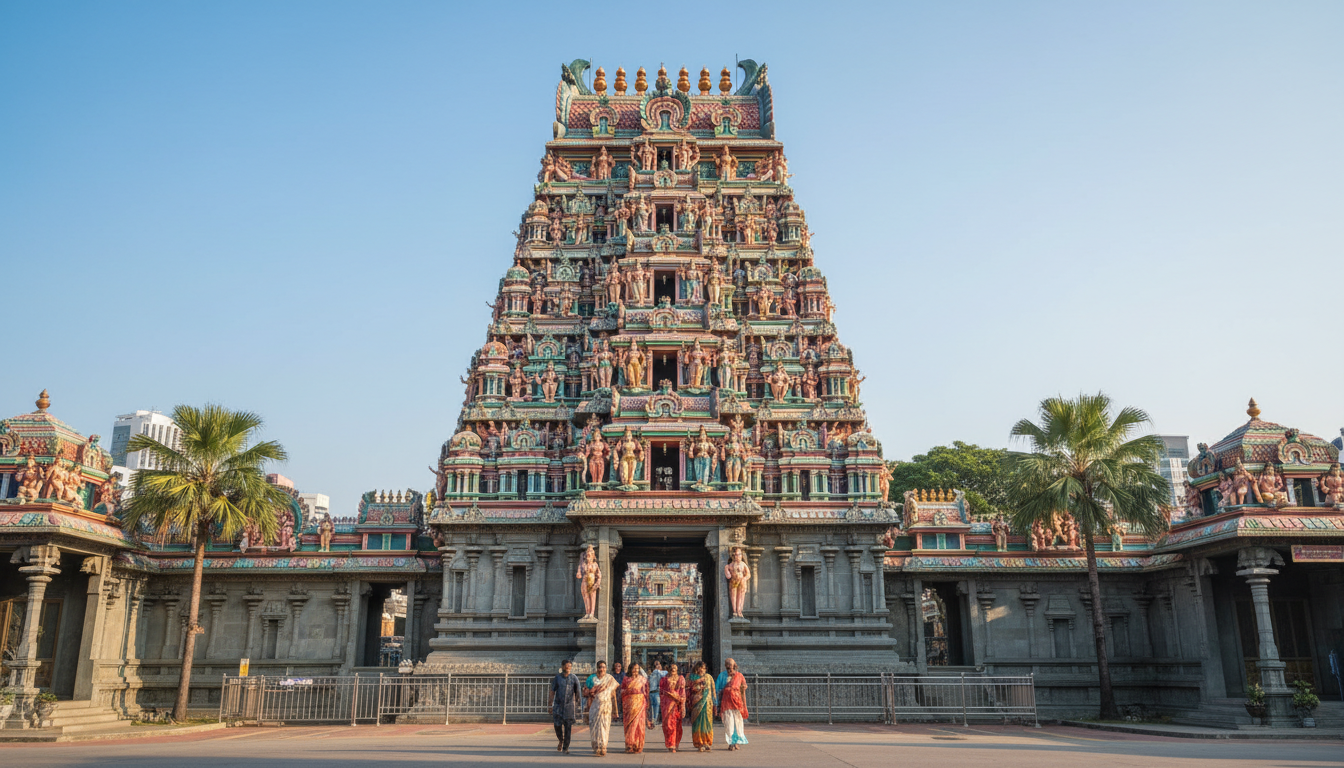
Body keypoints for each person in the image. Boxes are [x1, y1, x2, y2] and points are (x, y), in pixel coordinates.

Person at [548, 659, 583, 754]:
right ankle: (560, 739)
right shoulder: (557, 678)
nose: (568, 668)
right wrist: (550, 705)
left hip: (569, 706)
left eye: (570, 667)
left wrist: (578, 705)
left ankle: (565, 747)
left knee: (568, 727)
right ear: (562, 666)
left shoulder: (574, 678)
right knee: (557, 725)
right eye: (566, 666)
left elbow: (578, 692)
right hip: (558, 706)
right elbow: (552, 691)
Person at [587, 661, 620, 757]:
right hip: (594, 707)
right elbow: (586, 693)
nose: (602, 669)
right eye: (600, 667)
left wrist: (615, 710)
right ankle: (596, 746)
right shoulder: (591, 678)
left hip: (606, 707)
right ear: (597, 668)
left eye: (604, 667)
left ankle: (603, 747)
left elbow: (613, 695)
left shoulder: (610, 679)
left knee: (604, 727)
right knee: (594, 728)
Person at [716, 658, 749, 750]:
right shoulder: (722, 676)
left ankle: (737, 742)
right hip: (726, 703)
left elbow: (743, 688)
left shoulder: (739, 676)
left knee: (738, 722)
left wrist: (742, 691)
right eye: (727, 665)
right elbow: (717, 689)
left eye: (731, 665)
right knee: (728, 722)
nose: (729, 667)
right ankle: (731, 742)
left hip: (737, 702)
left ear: (734, 665)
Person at [620, 661, 649, 753]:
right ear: (630, 669)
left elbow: (646, 692)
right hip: (628, 705)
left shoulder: (643, 679)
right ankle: (629, 745)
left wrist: (646, 703)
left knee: (639, 725)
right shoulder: (626, 679)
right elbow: (621, 691)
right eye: (634, 668)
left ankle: (637, 745)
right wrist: (630, 691)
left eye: (637, 668)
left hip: (640, 704)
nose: (635, 670)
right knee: (629, 725)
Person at [689, 660, 716, 752]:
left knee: (707, 723)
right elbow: (688, 687)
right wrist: (698, 682)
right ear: (697, 668)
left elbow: (713, 690)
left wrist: (715, 703)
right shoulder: (692, 677)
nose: (703, 669)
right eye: (701, 667)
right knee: (698, 723)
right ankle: (699, 743)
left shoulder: (709, 677)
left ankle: (707, 742)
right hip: (697, 703)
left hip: (708, 703)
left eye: (704, 668)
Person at [659, 663, 686, 752]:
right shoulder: (664, 680)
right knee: (668, 724)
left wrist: (682, 704)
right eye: (671, 667)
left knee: (676, 725)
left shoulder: (680, 679)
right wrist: (669, 695)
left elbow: (682, 692)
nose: (673, 668)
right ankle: (670, 743)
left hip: (677, 705)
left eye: (674, 667)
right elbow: (661, 692)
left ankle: (674, 743)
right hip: (667, 705)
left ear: (677, 668)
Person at [647, 660, 666, 727]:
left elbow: (665, 674)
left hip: (657, 692)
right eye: (656, 665)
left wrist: (657, 670)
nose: (658, 666)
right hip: (651, 692)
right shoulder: (651, 675)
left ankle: (655, 721)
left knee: (657, 707)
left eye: (658, 664)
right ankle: (652, 721)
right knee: (652, 707)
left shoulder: (663, 672)